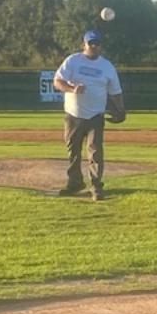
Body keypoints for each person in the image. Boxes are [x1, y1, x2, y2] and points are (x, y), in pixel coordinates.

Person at [53, 30, 125, 201]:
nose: (94, 46)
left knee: (95, 152)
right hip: (73, 114)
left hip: (95, 115)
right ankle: (75, 183)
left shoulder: (107, 66)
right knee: (73, 151)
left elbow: (115, 92)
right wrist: (72, 89)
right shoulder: (73, 61)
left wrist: (120, 110)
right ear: (83, 45)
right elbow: (58, 81)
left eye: (97, 43)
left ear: (101, 46)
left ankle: (96, 185)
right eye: (90, 43)